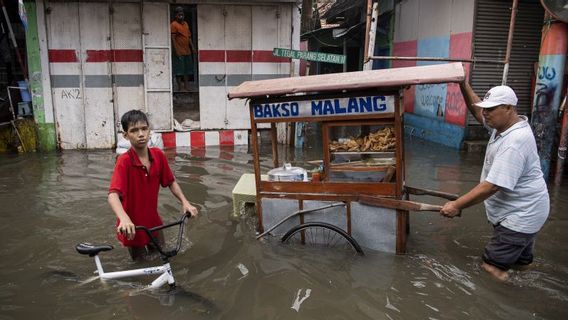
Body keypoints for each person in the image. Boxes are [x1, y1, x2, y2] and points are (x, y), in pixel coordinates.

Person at [440, 81, 550, 281]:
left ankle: (508, 304)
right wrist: (463, 84)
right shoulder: (501, 127)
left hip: (520, 215)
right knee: (521, 265)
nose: (485, 114)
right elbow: (476, 110)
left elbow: (491, 186)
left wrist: (457, 205)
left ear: (509, 108)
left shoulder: (514, 142)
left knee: (491, 268)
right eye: (485, 109)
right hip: (529, 210)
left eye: (490, 110)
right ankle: (525, 289)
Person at [108, 110, 198, 260]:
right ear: (125, 135)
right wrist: (124, 219)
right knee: (141, 263)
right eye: (134, 130)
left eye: (144, 129)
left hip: (154, 222)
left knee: (162, 255)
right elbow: (113, 195)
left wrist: (185, 202)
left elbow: (171, 182)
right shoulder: (124, 161)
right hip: (132, 226)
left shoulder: (158, 155)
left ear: (149, 130)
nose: (141, 134)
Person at [171, 7, 196, 92]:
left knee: (187, 70)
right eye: (179, 14)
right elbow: (173, 38)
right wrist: (176, 50)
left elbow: (189, 37)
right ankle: (180, 88)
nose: (181, 15)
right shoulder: (174, 24)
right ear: (176, 15)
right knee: (179, 71)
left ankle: (186, 86)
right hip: (179, 51)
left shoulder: (185, 24)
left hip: (187, 51)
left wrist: (192, 47)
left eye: (182, 14)